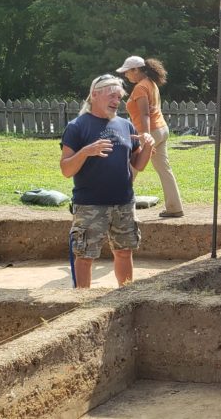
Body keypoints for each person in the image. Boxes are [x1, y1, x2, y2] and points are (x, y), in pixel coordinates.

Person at [60, 74, 154, 288]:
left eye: (119, 97)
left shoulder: (126, 125)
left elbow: (138, 165)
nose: (116, 101)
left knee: (124, 251)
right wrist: (86, 151)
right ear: (94, 95)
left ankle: (125, 295)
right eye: (112, 95)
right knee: (85, 256)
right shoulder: (77, 127)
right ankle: (82, 303)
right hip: (90, 204)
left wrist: (148, 146)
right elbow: (66, 169)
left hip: (123, 202)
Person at [116, 55, 184, 218]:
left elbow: (145, 113)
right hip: (161, 129)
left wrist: (145, 135)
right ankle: (175, 207)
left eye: (127, 71)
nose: (126, 75)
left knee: (131, 168)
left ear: (136, 70)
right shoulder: (151, 84)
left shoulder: (140, 87)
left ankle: (117, 205)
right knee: (164, 169)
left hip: (150, 131)